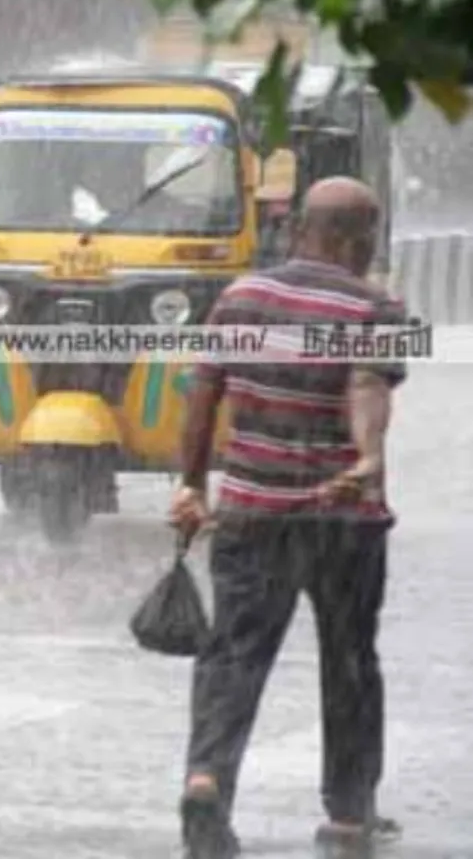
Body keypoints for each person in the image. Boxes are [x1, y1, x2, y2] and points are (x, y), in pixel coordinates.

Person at [169, 177, 406, 859]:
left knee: (233, 655)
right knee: (349, 659)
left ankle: (207, 776)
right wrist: (365, 455)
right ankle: (349, 813)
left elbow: (202, 391)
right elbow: (364, 384)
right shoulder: (375, 308)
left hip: (250, 511)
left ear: (300, 227)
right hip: (342, 518)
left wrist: (191, 487)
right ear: (357, 238)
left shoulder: (241, 298)